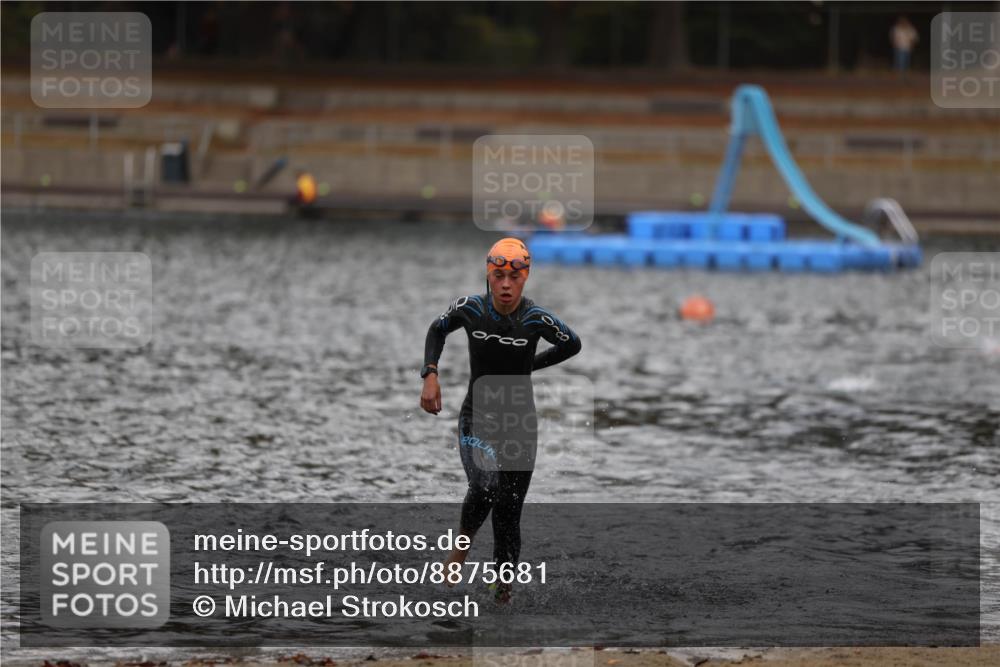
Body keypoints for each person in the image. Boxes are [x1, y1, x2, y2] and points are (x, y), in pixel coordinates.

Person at [419, 237, 582, 604]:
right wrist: (430, 373)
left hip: (520, 426)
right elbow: (436, 329)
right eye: (498, 276)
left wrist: (529, 366)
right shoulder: (470, 309)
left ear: (526, 277)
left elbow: (573, 344)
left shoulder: (536, 319)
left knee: (508, 514)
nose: (506, 286)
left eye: (515, 277)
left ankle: (501, 595)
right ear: (488, 275)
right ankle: (460, 551)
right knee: (487, 482)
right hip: (477, 418)